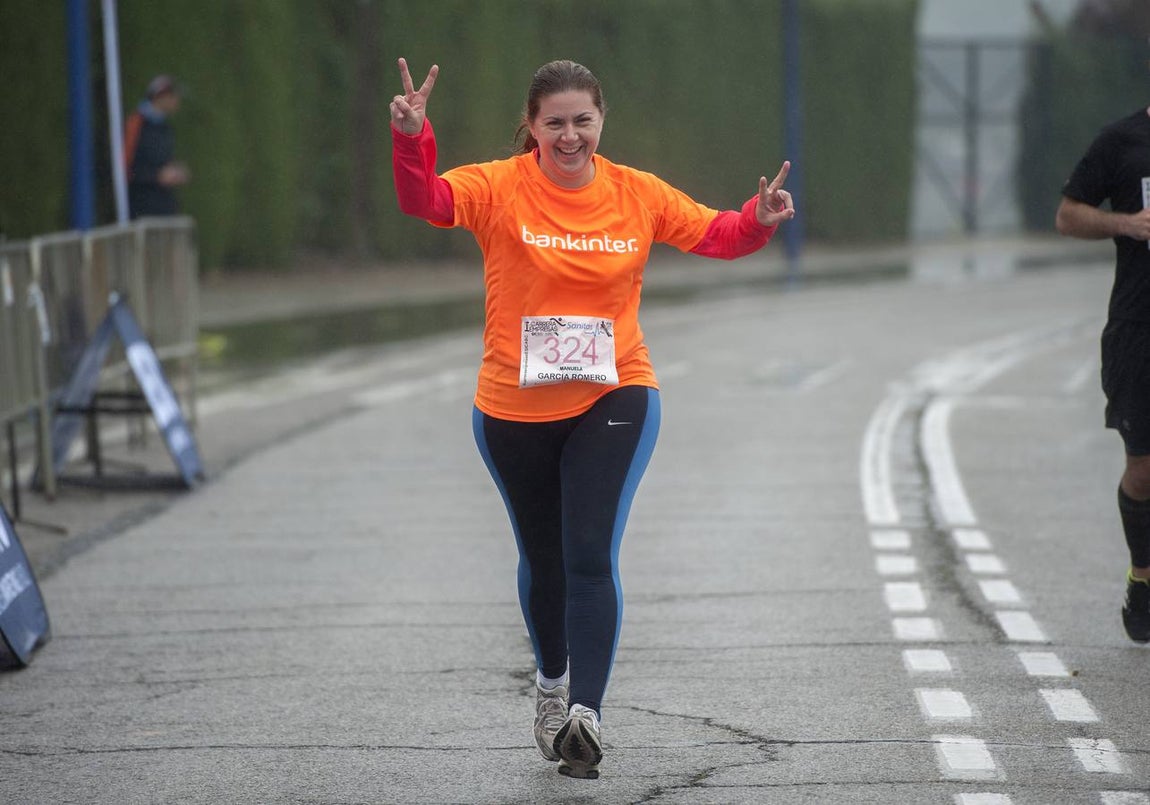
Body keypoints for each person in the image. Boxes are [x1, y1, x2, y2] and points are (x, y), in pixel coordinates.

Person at [390, 57, 794, 779]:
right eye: (555, 123)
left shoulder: (635, 192)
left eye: (583, 121)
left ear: (600, 121)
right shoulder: (497, 186)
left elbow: (717, 233)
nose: (570, 136)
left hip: (615, 394)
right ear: (533, 127)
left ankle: (587, 713)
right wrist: (413, 137)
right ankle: (549, 688)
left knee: (588, 551)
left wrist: (757, 219)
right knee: (543, 560)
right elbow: (424, 201)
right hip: (512, 407)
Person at [1056, 104, 1150, 644]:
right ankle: (1143, 575)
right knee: (1143, 470)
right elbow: (1068, 215)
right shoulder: (1121, 141)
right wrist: (1125, 223)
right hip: (1139, 329)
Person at [124, 75, 190, 219]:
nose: (177, 101)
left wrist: (175, 171)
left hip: (163, 207)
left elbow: (162, 160)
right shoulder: (136, 123)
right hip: (141, 208)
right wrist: (156, 176)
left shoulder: (165, 127)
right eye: (173, 96)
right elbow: (125, 167)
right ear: (161, 97)